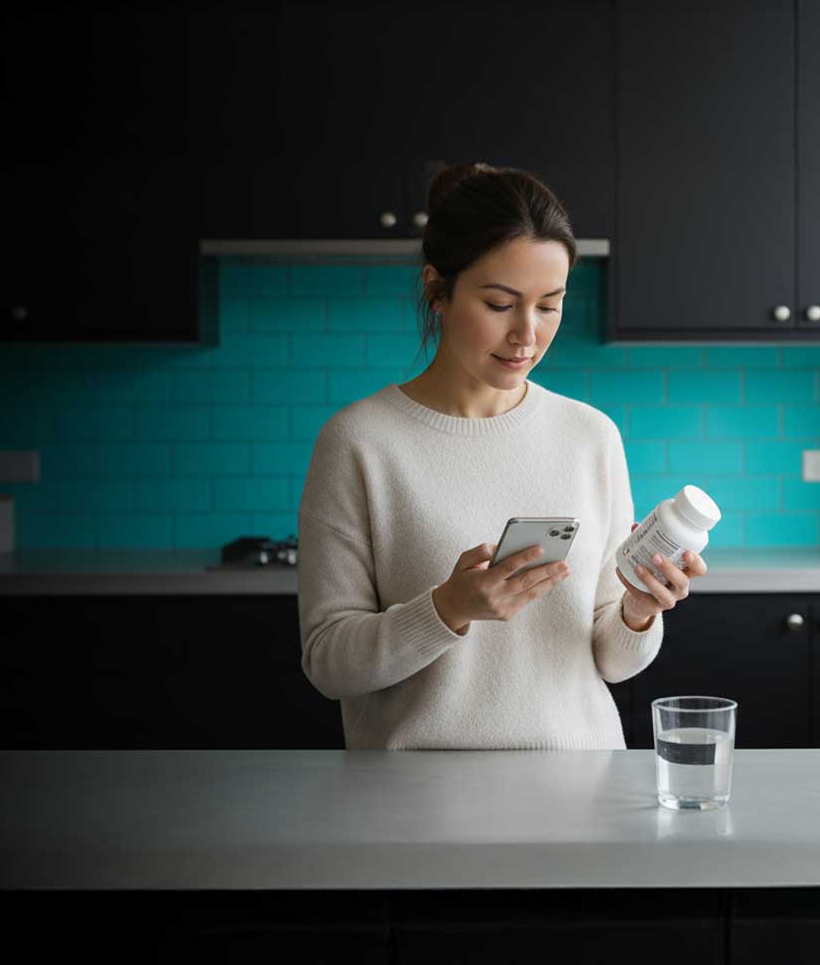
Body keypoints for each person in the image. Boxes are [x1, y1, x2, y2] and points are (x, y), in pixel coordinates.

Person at [296, 161, 707, 750]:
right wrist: (445, 609)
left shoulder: (590, 436)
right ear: (437, 288)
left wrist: (639, 610)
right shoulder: (360, 442)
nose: (527, 334)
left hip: (580, 798)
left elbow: (612, 663)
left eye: (549, 305)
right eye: (499, 303)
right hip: (416, 809)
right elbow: (329, 664)